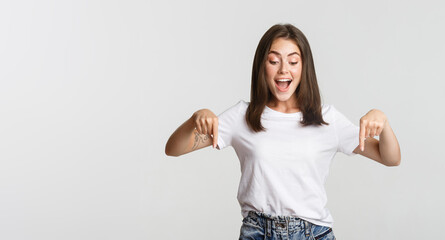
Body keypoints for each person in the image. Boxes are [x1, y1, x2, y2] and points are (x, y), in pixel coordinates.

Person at [165, 23, 401, 240]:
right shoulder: (242, 117)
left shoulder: (327, 119)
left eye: (293, 61)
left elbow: (390, 158)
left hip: (313, 233)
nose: (283, 70)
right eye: (274, 60)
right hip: (257, 232)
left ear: (303, 67)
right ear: (262, 66)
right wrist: (194, 120)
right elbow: (173, 149)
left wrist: (385, 124)